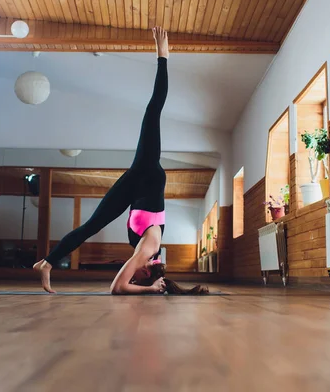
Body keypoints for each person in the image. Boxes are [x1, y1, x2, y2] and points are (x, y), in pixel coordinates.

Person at [33, 27, 208, 296]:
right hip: (147, 175)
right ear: (147, 271)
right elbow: (118, 288)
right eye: (139, 278)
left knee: (91, 225)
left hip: (134, 190)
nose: (132, 274)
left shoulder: (147, 255)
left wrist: (150, 288)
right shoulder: (148, 251)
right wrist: (149, 290)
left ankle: (47, 262)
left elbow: (122, 285)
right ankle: (163, 56)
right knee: (153, 111)